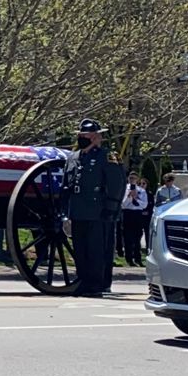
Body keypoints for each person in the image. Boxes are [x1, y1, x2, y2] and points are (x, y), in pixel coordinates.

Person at [62, 119, 126, 297]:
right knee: (81, 250)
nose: (83, 138)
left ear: (97, 138)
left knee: (97, 250)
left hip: (99, 211)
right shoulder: (73, 158)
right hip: (78, 210)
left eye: (87, 135)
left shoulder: (106, 157)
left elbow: (117, 184)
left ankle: (98, 283)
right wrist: (65, 212)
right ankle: (84, 280)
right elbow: (66, 186)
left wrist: (111, 209)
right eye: (81, 135)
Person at [120, 174, 148, 266]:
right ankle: (129, 259)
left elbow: (144, 205)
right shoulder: (124, 189)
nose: (132, 180)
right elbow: (123, 205)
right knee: (127, 237)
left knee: (137, 237)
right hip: (128, 213)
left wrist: (136, 198)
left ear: (137, 179)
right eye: (131, 178)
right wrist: (129, 197)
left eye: (134, 178)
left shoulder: (141, 190)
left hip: (137, 215)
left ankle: (138, 258)